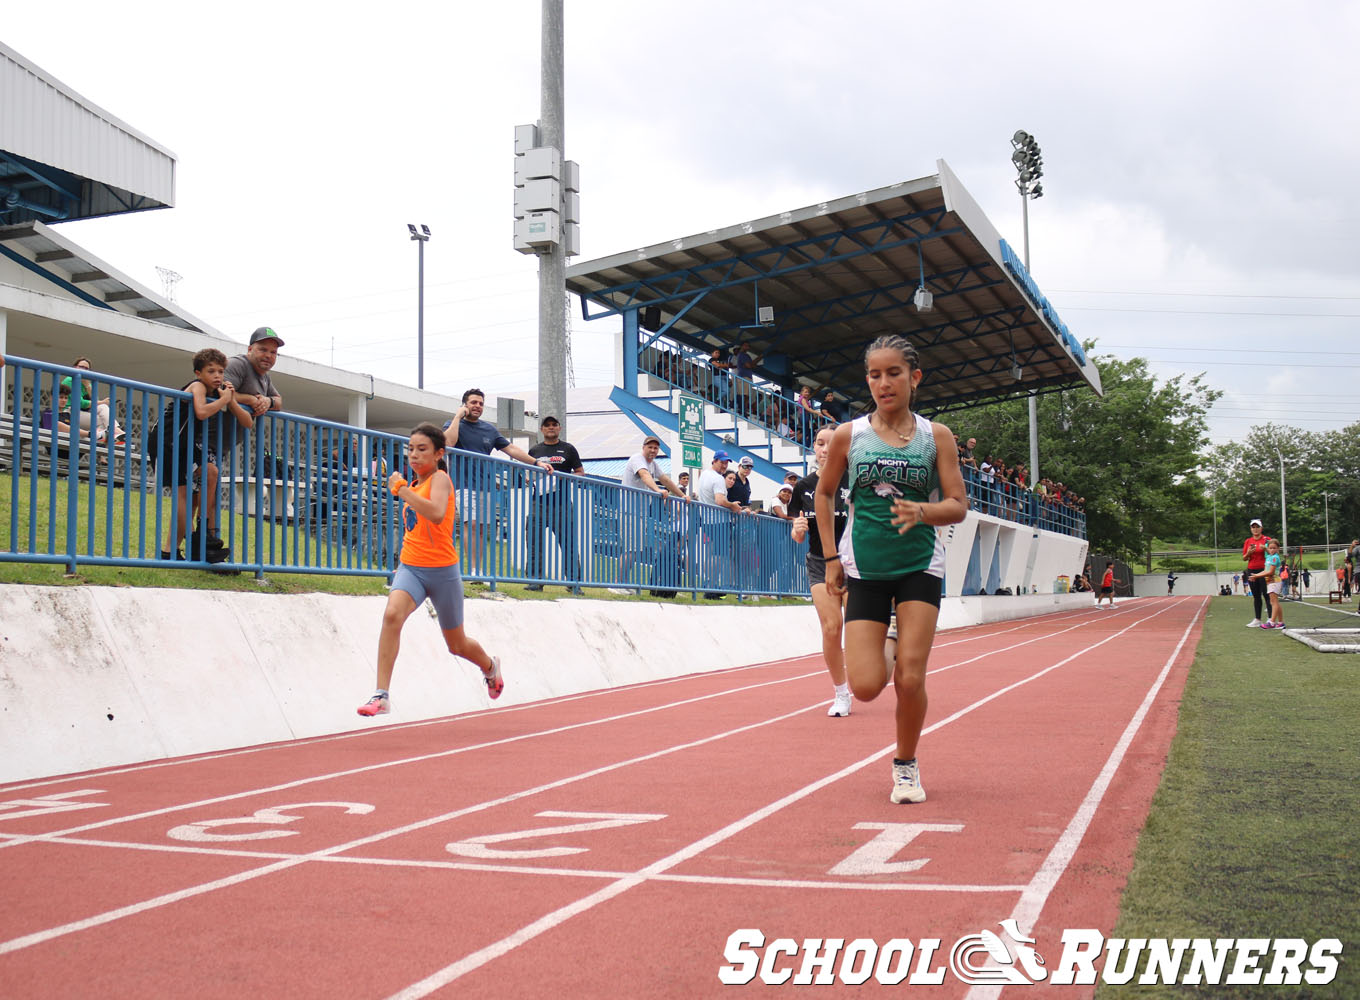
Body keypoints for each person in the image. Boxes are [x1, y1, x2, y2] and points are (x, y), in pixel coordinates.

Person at [815, 334, 967, 804]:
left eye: (894, 373)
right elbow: (824, 493)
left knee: (910, 679)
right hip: (865, 569)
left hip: (920, 565)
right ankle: (893, 636)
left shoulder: (935, 437)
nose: (884, 383)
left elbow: (958, 505)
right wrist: (831, 558)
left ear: (914, 378)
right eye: (875, 375)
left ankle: (905, 766)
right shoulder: (850, 435)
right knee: (864, 687)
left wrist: (923, 511)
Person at [357, 423, 503, 717]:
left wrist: (400, 490)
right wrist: (404, 489)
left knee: (456, 644)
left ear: (439, 454)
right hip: (411, 567)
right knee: (392, 615)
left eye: (422, 449)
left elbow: (436, 514)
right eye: (410, 449)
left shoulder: (440, 480)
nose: (414, 455)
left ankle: (490, 666)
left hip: (443, 572)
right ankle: (381, 695)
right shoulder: (412, 486)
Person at [155, 348, 254, 562]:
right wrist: (224, 401)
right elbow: (201, 412)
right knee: (183, 493)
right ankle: (191, 541)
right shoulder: (198, 386)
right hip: (168, 441)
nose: (217, 376)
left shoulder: (220, 391)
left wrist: (231, 400)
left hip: (187, 443)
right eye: (211, 371)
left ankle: (201, 530)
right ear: (198, 373)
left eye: (221, 371)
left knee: (211, 472)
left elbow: (247, 422)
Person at [444, 388, 552, 574]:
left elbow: (511, 449)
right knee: (472, 523)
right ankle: (473, 570)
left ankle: (478, 571)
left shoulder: (489, 429)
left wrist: (536, 463)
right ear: (464, 404)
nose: (478, 406)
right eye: (473, 402)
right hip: (464, 485)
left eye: (481, 403)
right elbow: (448, 443)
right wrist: (457, 416)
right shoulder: (453, 424)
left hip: (485, 486)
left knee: (481, 528)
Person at [791, 424, 853, 717]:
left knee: (857, 628)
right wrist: (797, 530)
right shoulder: (803, 486)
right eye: (819, 443)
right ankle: (841, 693)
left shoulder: (854, 480)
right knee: (831, 627)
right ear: (814, 448)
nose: (825, 449)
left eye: (831, 442)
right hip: (819, 562)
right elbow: (798, 534)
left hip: (854, 563)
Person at [524, 415, 584, 594]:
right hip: (538, 504)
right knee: (534, 542)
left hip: (562, 504)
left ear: (559, 428)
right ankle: (535, 581)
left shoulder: (568, 449)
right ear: (541, 429)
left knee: (569, 544)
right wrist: (528, 478)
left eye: (554, 425)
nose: (551, 427)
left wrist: (564, 477)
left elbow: (580, 472)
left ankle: (573, 583)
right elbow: (528, 472)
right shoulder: (534, 450)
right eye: (547, 425)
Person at [60, 357, 124, 444]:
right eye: (81, 367)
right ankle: (110, 434)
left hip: (82, 413)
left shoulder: (87, 383)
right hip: (69, 412)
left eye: (86, 368)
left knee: (103, 407)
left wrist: (88, 386)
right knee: (103, 420)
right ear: (75, 367)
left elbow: (95, 402)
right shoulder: (70, 380)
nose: (84, 370)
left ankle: (114, 431)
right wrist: (103, 402)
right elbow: (81, 403)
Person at [225, 327, 285, 416]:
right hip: (213, 424)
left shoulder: (265, 376)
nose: (268, 355)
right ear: (250, 350)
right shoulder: (237, 364)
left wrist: (269, 401)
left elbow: (278, 401)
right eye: (263, 350)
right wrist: (250, 400)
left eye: (273, 352)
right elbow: (219, 392)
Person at [1241, 518, 1274, 627]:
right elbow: (1244, 558)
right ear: (1251, 529)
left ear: (1261, 528)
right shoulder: (1248, 541)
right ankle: (1257, 619)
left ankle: (1270, 618)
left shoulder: (1267, 540)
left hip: (1264, 570)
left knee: (1267, 594)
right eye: (1253, 527)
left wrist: (1265, 549)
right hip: (1252, 570)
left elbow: (1274, 553)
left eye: (1257, 527)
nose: (1255, 529)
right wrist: (1249, 553)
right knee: (1256, 595)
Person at [1249, 538, 1285, 629]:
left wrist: (1257, 576)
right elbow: (1265, 570)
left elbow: (1271, 572)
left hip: (1274, 581)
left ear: (1278, 549)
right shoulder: (1269, 557)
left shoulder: (1275, 558)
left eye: (1274, 548)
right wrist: (1256, 575)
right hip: (1270, 582)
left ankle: (1272, 622)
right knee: (1275, 602)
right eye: (1270, 548)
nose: (1272, 550)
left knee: (1273, 602)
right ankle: (1280, 622)